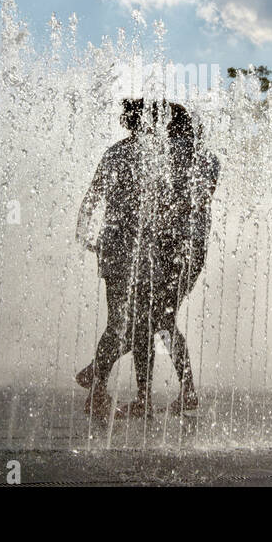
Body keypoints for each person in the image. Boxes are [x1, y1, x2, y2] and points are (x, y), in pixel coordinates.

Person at [75, 98, 220, 418]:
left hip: (134, 248)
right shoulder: (204, 158)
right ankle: (146, 394)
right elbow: (192, 201)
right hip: (180, 251)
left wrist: (85, 234)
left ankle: (104, 384)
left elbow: (93, 197)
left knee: (134, 322)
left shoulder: (123, 152)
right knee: (156, 322)